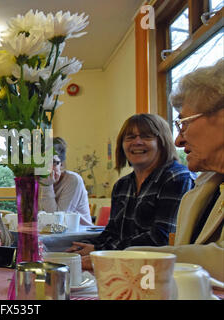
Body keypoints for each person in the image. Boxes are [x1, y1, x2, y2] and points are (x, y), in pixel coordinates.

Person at [127, 59, 224, 282]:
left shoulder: (178, 179)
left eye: (184, 123)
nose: (179, 140)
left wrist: (124, 257)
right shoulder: (205, 188)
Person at [67, 114, 196, 269]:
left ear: (163, 142)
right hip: (120, 265)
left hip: (156, 270)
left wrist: (100, 251)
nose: (137, 142)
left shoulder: (177, 178)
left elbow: (162, 239)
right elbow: (112, 233)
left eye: (146, 136)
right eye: (130, 137)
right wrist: (81, 248)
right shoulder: (122, 185)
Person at [38, 137, 93, 226]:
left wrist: (47, 186)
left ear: (62, 165)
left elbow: (56, 222)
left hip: (80, 235)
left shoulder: (73, 180)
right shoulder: (37, 180)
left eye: (53, 162)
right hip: (50, 236)